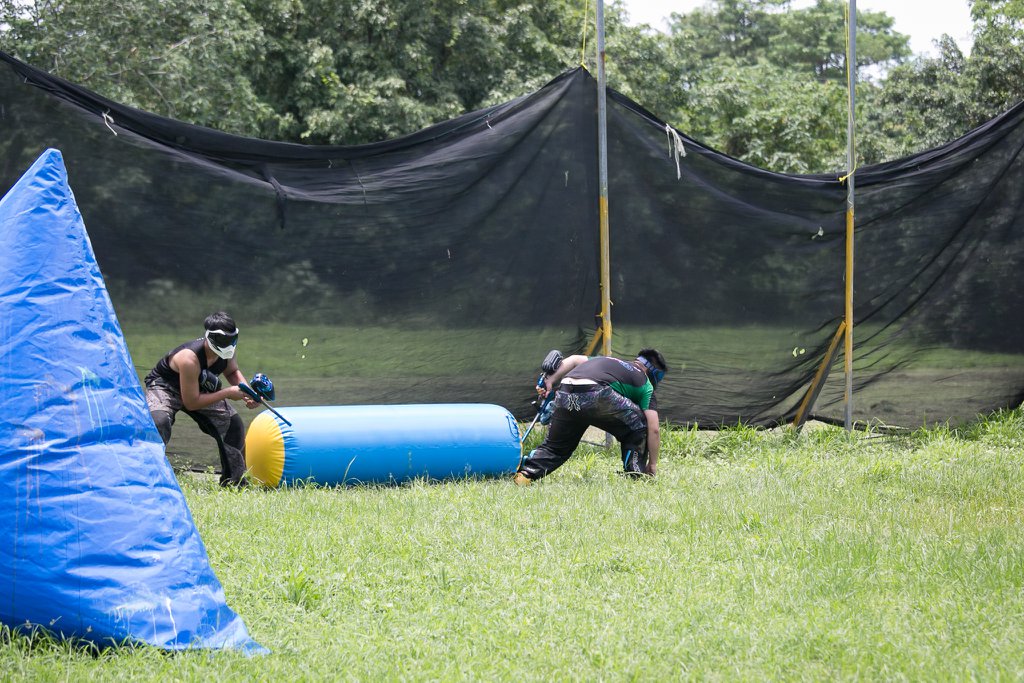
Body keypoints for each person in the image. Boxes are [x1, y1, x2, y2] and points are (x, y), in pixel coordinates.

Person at [514, 348, 668, 484]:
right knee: (641, 424)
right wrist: (652, 465)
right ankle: (636, 474)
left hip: (566, 389)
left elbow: (574, 360)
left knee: (556, 447)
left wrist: (550, 380)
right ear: (654, 375)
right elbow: (653, 429)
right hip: (596, 392)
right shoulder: (645, 384)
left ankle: (526, 474)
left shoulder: (608, 360)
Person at [144, 311, 257, 486]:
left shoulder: (228, 351)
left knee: (233, 424)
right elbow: (192, 402)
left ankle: (234, 483)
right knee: (158, 421)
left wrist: (247, 392)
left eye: (231, 339)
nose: (228, 345)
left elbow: (232, 371)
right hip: (165, 387)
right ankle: (149, 479)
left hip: (198, 387)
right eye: (224, 340)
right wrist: (228, 392)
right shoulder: (189, 359)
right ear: (210, 337)